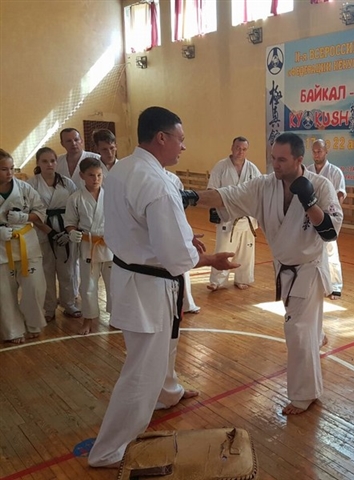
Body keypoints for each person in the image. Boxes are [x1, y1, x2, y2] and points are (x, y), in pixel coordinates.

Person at [87, 106, 238, 468]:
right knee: (143, 370)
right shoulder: (156, 183)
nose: (183, 147)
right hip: (149, 285)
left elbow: (145, 226)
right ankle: (109, 449)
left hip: (133, 273)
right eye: (180, 139)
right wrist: (209, 259)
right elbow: (174, 254)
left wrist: (186, 237)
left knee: (163, 350)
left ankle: (169, 392)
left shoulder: (123, 169)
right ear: (161, 138)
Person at [196, 132, 343, 415]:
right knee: (304, 329)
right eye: (273, 158)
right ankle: (314, 351)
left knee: (296, 331)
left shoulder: (320, 186)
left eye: (282, 160)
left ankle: (303, 395)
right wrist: (188, 197)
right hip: (284, 268)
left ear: (299, 160)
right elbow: (227, 195)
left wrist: (310, 202)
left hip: (309, 268)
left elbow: (329, 232)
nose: (275, 164)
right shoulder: (265, 185)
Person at [0, 149, 47, 344]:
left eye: (12, 168)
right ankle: (12, 330)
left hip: (27, 244)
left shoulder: (24, 188)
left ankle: (33, 323)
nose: (10, 173)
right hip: (1, 248)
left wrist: (24, 217)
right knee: (4, 293)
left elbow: (41, 212)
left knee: (35, 288)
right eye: (4, 169)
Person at [27, 147, 79, 322]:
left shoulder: (67, 183)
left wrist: (67, 231)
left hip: (65, 227)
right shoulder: (32, 184)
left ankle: (69, 304)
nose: (49, 164)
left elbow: (75, 208)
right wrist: (49, 232)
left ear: (57, 162)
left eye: (52, 161)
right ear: (38, 163)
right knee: (46, 270)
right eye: (45, 161)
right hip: (42, 228)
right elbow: (31, 211)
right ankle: (49, 308)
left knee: (67, 269)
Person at [64, 157, 113, 335]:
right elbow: (70, 222)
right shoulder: (75, 198)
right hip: (88, 245)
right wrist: (72, 232)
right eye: (91, 175)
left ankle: (116, 315)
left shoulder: (111, 196)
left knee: (114, 283)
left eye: (99, 175)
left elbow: (120, 220)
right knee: (88, 285)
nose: (96, 179)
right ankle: (88, 319)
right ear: (82, 175)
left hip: (109, 245)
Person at [206, 136, 261, 291]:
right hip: (227, 216)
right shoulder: (221, 166)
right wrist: (213, 208)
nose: (240, 151)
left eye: (244, 149)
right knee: (223, 249)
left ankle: (243, 278)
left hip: (247, 218)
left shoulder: (252, 169)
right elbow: (212, 189)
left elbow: (260, 190)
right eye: (237, 148)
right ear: (232, 148)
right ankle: (217, 281)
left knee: (246, 251)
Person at [55, 128, 101, 303]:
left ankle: (89, 298)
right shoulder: (58, 162)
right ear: (62, 143)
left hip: (92, 213)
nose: (73, 144)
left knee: (90, 264)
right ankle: (70, 297)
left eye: (76, 139)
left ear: (81, 140)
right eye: (68, 141)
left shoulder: (95, 158)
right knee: (68, 260)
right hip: (67, 215)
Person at [309, 139, 346, 299]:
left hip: (327, 217)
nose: (317, 154)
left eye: (320, 151)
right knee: (310, 253)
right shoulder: (307, 171)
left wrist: (332, 216)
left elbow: (340, 195)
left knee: (330, 253)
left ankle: (335, 286)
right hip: (310, 217)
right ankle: (313, 284)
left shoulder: (335, 172)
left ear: (326, 151)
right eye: (314, 151)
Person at [165, 168, 201, 314]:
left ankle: (186, 303)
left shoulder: (173, 179)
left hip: (175, 225)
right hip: (155, 227)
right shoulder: (143, 176)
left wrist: (188, 232)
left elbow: (181, 209)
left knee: (182, 265)